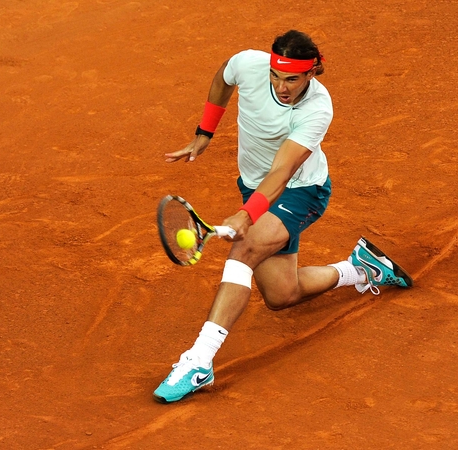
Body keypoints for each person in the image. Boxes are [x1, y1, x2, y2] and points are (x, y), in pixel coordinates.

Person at [153, 30, 413, 403]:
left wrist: (247, 214)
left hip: (300, 192)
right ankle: (361, 269)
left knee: (244, 252)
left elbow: (282, 171)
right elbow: (223, 75)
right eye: (276, 75)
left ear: (312, 73)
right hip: (253, 188)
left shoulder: (317, 109)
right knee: (281, 294)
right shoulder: (249, 64)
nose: (281, 86)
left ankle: (198, 361)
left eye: (292, 78)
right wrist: (204, 132)